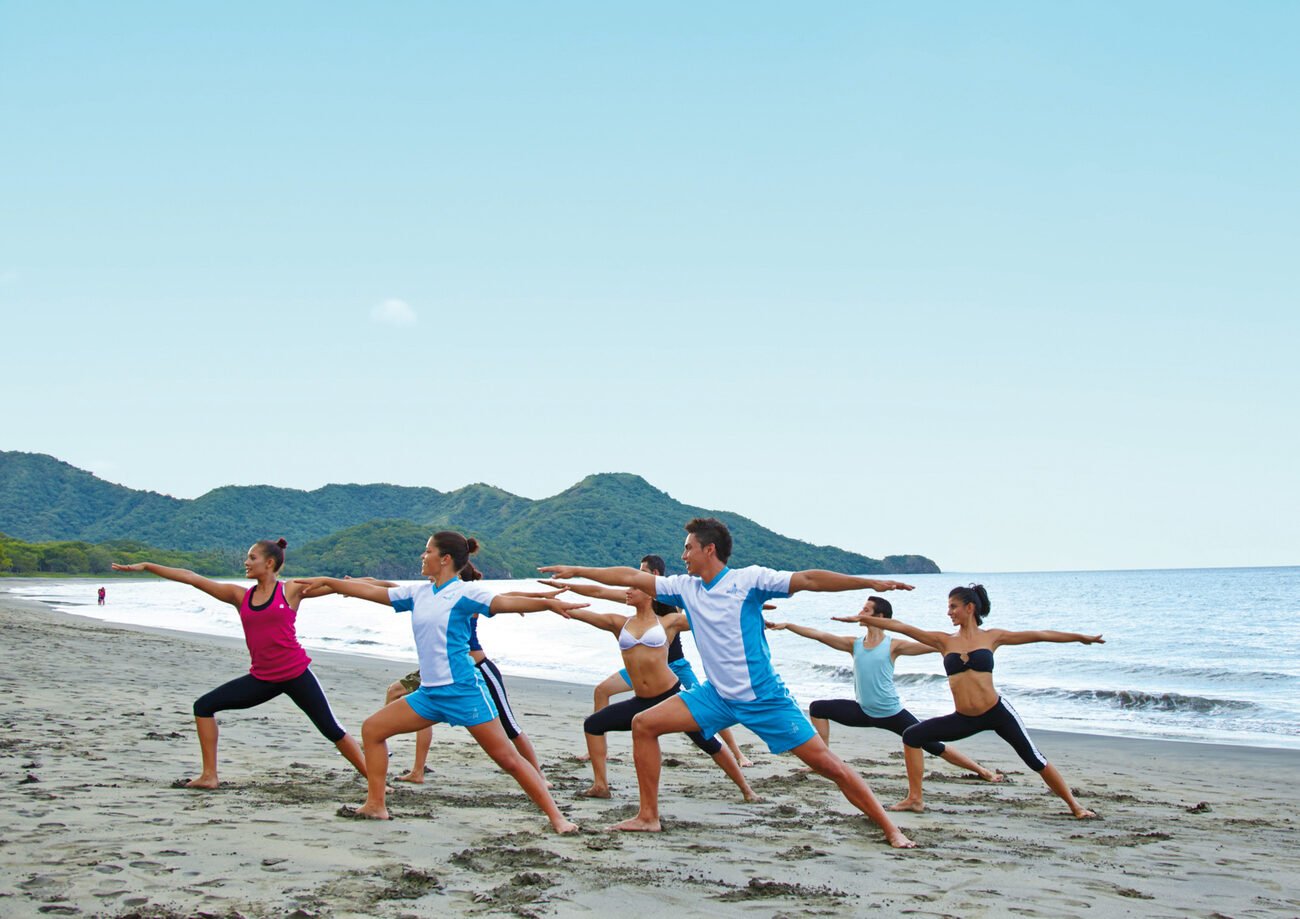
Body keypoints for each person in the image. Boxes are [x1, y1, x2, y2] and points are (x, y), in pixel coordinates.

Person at [541, 516, 916, 847]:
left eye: (688, 549)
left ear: (709, 549)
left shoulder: (748, 581)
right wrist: (578, 569)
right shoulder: (684, 589)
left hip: (765, 699)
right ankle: (648, 817)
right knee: (644, 723)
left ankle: (890, 829)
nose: (683, 556)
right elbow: (628, 576)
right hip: (716, 696)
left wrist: (869, 582)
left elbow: (809, 580)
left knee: (828, 765)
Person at [294, 531, 583, 832]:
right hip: (429, 694)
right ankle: (376, 805)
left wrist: (547, 605)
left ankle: (557, 818)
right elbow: (372, 593)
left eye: (427, 551)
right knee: (372, 730)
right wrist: (331, 582)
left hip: (463, 692)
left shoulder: (465, 594)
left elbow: (503, 602)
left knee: (508, 759)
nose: (423, 555)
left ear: (444, 559)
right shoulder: (418, 594)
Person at [111, 539, 367, 789]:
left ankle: (374, 779)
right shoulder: (239, 596)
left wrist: (380, 588)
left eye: (251, 558)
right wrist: (147, 566)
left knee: (331, 729)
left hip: (296, 673)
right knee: (203, 706)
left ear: (269, 563)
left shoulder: (290, 590)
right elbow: (191, 577)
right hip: (263, 678)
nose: (246, 562)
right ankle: (209, 775)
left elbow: (338, 586)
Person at [859, 584, 1102, 819]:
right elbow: (901, 627)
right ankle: (915, 798)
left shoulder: (992, 637)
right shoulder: (944, 640)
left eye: (953, 606)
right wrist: (866, 619)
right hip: (964, 718)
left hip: (996, 712)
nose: (949, 612)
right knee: (912, 736)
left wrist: (1080, 637)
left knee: (1034, 759)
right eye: (948, 607)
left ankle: (1075, 806)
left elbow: (1040, 635)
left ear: (970, 608)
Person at [545, 562, 759, 802]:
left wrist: (748, 609)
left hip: (672, 698)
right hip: (641, 701)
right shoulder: (619, 623)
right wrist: (549, 603)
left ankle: (747, 790)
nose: (627, 590)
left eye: (633, 587)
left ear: (649, 593)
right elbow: (581, 611)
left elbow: (711, 617)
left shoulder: (669, 622)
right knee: (593, 725)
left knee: (707, 742)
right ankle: (600, 785)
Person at [767, 594, 1002, 813]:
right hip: (863, 711)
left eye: (866, 610)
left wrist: (968, 645)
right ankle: (821, 760)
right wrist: (789, 625)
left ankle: (982, 771)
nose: (861, 612)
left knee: (934, 746)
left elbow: (939, 644)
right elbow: (819, 635)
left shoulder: (893, 645)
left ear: (880, 618)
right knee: (818, 708)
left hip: (891, 713)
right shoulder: (854, 644)